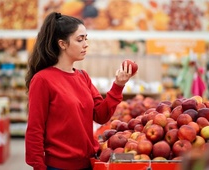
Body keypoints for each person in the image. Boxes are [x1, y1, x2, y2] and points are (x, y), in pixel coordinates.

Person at [25, 12, 135, 170]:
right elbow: (35, 129)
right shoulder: (42, 80)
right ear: (62, 44)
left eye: (86, 38)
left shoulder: (83, 77)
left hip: (88, 163)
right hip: (58, 166)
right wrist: (38, 166)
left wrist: (118, 85)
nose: (85, 44)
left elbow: (101, 115)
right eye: (79, 39)